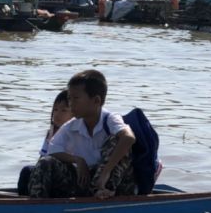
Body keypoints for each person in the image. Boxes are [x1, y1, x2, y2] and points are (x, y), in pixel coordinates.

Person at [28, 69, 136, 199]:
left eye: (76, 98)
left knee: (117, 141)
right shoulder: (72, 126)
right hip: (85, 183)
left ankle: (102, 190)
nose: (71, 103)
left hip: (112, 184)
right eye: (69, 98)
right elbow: (52, 150)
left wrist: (106, 172)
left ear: (96, 101)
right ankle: (37, 206)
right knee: (46, 163)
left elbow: (129, 138)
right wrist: (77, 160)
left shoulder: (110, 119)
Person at [16, 89, 71, 195]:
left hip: (61, 176)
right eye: (55, 110)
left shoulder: (73, 133)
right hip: (46, 171)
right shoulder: (50, 133)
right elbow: (42, 157)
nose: (57, 114)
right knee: (27, 171)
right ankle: (23, 200)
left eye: (64, 111)